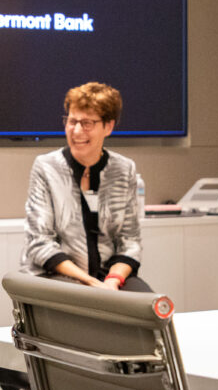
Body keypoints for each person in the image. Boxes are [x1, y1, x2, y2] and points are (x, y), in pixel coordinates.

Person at [21, 82, 150, 292]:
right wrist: (92, 284)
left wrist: (113, 280)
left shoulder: (124, 169)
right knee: (87, 314)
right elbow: (39, 242)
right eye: (72, 121)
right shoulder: (47, 167)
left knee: (151, 313)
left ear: (108, 126)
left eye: (87, 123)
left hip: (108, 275)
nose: (77, 130)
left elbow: (130, 241)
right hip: (55, 275)